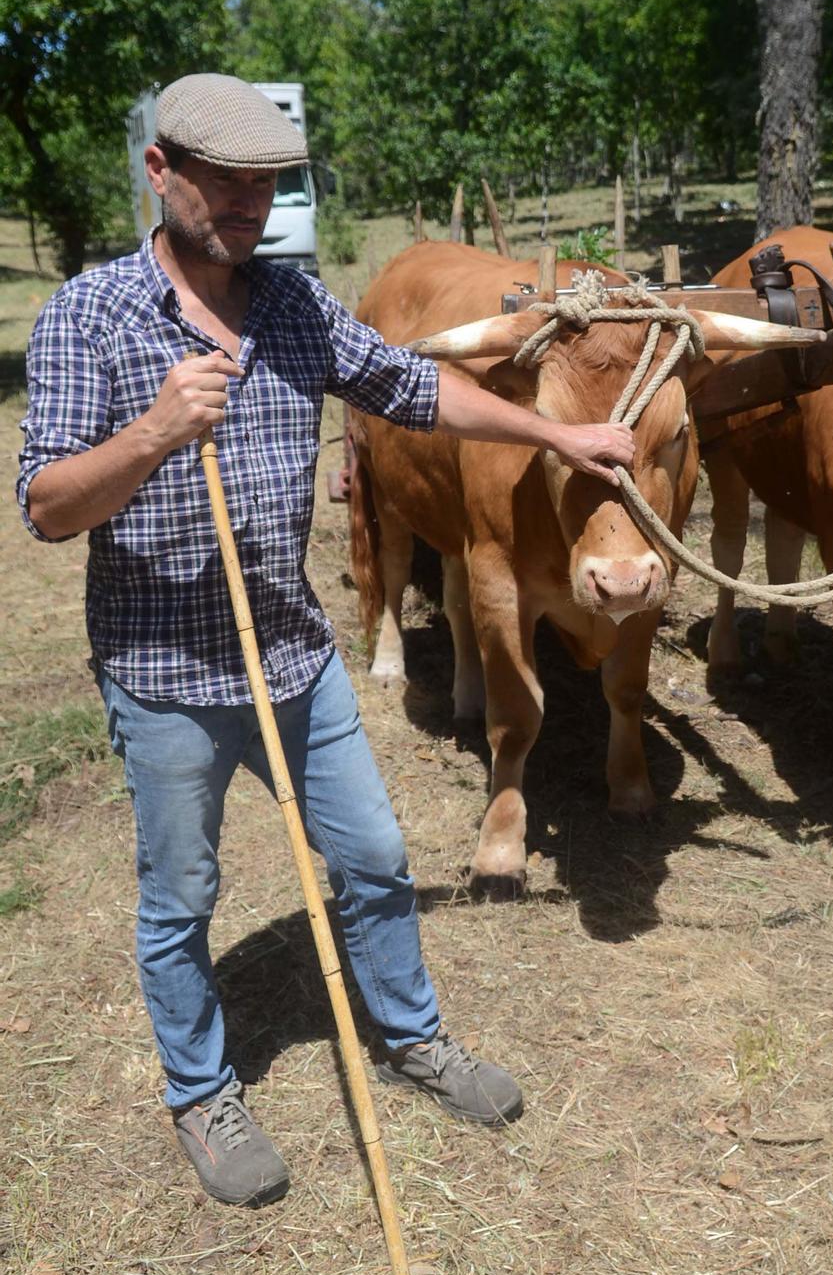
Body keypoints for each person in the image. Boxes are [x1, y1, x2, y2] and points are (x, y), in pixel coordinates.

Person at [17, 73, 635, 1208]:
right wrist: (156, 429)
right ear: (161, 171)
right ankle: (202, 1089)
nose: (251, 205)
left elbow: (414, 389)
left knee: (374, 858)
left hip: (291, 656)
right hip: (164, 674)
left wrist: (559, 430)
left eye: (268, 185)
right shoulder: (87, 314)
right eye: (227, 182)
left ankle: (411, 1036)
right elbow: (49, 506)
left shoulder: (291, 306)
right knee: (180, 894)